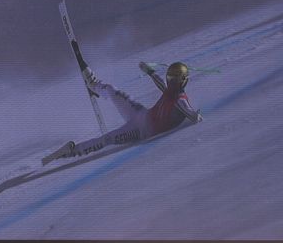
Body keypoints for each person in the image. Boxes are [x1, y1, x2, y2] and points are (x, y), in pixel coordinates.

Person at [42, 61, 202, 165]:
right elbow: (160, 83)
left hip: (140, 131)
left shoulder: (180, 100)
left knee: (107, 139)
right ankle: (94, 84)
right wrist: (149, 71)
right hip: (141, 114)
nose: (170, 81)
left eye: (174, 78)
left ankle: (72, 152)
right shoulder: (169, 90)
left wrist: (196, 117)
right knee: (113, 91)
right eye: (169, 77)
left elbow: (188, 111)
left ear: (182, 81)